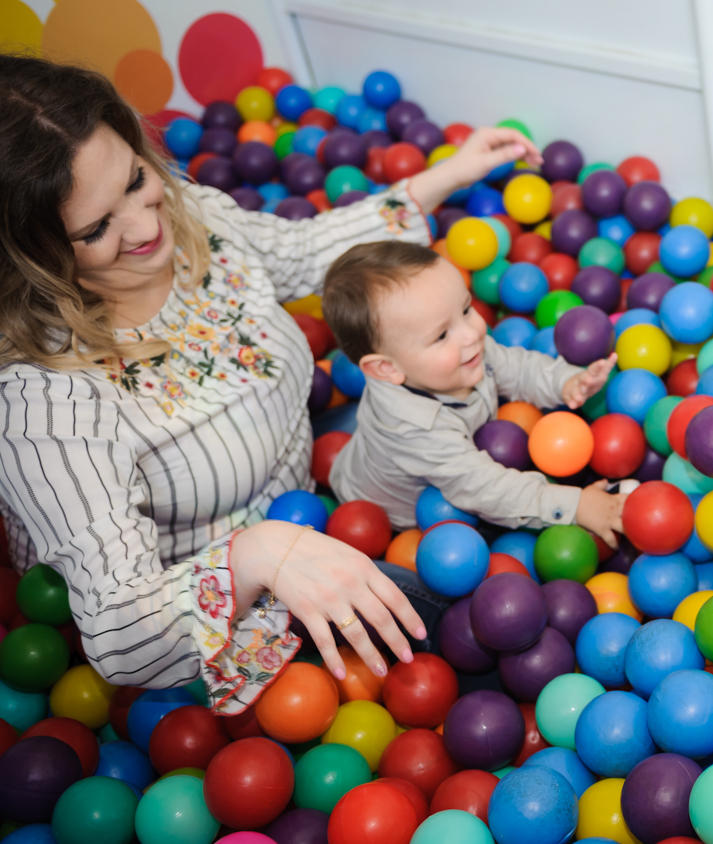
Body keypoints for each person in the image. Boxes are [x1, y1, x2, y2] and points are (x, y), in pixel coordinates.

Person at [0, 54, 541, 711]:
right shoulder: (43, 399)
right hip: (228, 612)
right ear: (30, 256)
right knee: (486, 636)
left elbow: (304, 251)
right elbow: (122, 631)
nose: (146, 225)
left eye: (136, 179)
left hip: (319, 490)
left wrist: (448, 175)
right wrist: (256, 557)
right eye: (95, 229)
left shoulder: (195, 220)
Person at [322, 241, 627, 546]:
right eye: (442, 335)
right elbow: (484, 489)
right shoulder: (413, 430)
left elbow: (519, 368)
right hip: (392, 517)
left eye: (466, 310)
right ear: (387, 368)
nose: (472, 333)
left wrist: (566, 382)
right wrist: (576, 506)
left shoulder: (462, 352)